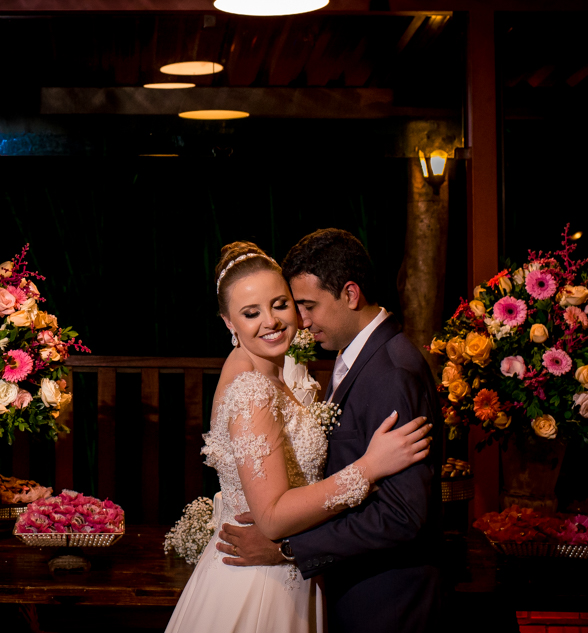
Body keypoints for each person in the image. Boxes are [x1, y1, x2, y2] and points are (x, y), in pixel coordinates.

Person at [165, 241, 432, 633]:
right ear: (228, 323)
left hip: (305, 579)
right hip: (260, 584)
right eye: (251, 313)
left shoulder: (278, 373)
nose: (272, 321)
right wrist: (368, 469)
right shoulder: (252, 390)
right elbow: (272, 518)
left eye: (281, 304)